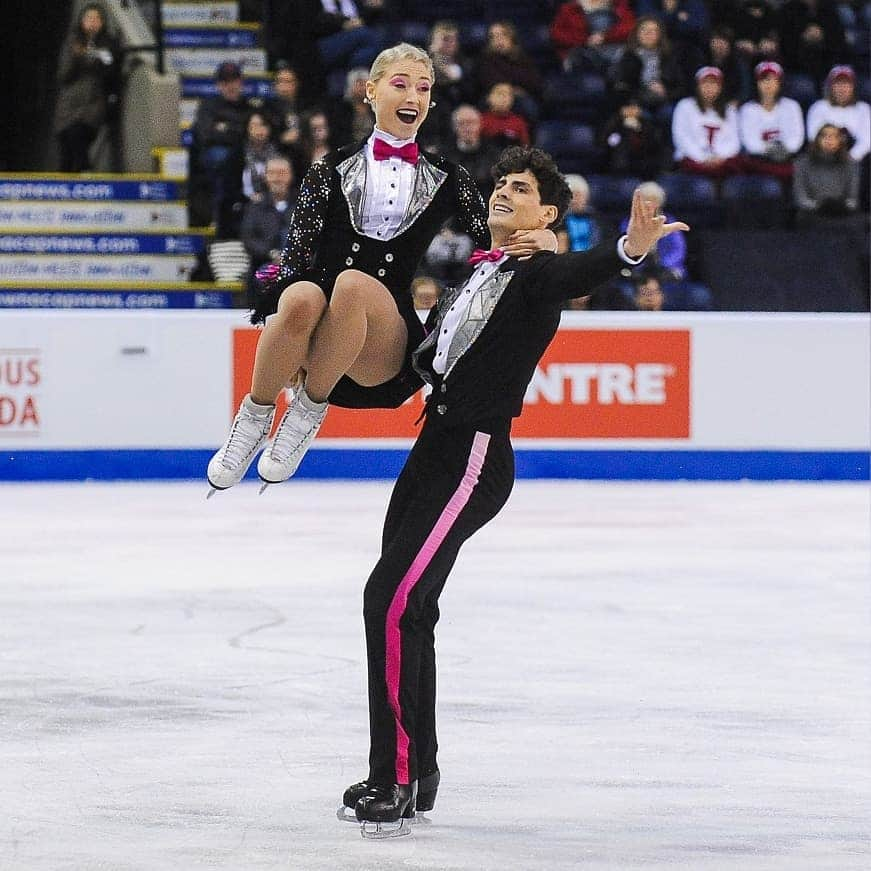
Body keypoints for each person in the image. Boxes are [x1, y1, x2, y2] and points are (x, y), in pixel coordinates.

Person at [339, 146, 688, 834]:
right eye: (499, 182)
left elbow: (577, 271)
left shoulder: (535, 276)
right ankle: (417, 769)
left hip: (472, 457)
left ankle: (395, 774)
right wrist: (325, 387)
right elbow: (413, 376)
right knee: (410, 609)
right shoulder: (471, 276)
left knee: (388, 599)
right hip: (429, 452)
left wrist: (627, 248)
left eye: (520, 187)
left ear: (547, 213)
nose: (502, 190)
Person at [206, 45, 556, 492]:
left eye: (424, 88)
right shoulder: (328, 169)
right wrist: (296, 344)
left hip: (383, 341)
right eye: (401, 84)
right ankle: (253, 419)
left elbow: (495, 235)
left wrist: (544, 236)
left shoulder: (449, 177)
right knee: (298, 295)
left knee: (352, 283)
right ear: (370, 91)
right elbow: (294, 258)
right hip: (319, 324)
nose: (414, 95)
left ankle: (307, 412)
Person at [54, 2, 120, 172]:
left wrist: (86, 54)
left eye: (97, 18)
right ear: (81, 21)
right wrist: (76, 57)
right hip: (68, 105)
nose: (92, 22)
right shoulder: (71, 42)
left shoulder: (108, 43)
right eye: (89, 18)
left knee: (78, 136)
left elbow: (109, 69)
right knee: (66, 153)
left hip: (93, 105)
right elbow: (63, 75)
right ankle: (66, 192)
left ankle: (87, 173)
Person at [191, 62, 251, 227]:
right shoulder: (209, 106)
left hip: (243, 152)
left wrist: (225, 129)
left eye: (234, 81)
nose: (230, 86)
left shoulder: (248, 106)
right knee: (222, 158)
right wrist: (236, 131)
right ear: (218, 85)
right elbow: (206, 134)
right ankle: (220, 214)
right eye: (225, 82)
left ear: (240, 82)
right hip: (216, 155)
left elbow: (250, 134)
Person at [239, 156, 298, 305]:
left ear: (290, 176)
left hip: (300, 266)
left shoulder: (304, 205)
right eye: (272, 173)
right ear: (265, 177)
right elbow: (248, 239)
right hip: (266, 264)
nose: (277, 178)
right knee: (264, 277)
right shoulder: (255, 208)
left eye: (282, 173)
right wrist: (271, 253)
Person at [672, 66, 743, 178]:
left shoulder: (730, 111)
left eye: (714, 83)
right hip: (693, 160)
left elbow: (734, 142)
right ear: (698, 86)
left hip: (722, 162)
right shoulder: (685, 106)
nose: (709, 87)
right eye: (705, 83)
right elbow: (681, 138)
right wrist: (703, 158)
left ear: (720, 88)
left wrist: (719, 157)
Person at [738, 61, 805, 179]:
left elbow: (796, 137)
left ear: (779, 83)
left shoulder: (791, 106)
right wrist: (768, 150)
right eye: (764, 80)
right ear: (757, 83)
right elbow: (750, 142)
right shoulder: (748, 109)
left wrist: (784, 150)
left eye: (773, 80)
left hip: (787, 159)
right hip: (759, 163)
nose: (768, 84)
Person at [793, 123, 860, 226]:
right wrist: (819, 206)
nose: (829, 140)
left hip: (842, 214)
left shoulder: (851, 164)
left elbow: (853, 200)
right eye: (824, 135)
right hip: (811, 214)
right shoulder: (802, 163)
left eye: (834, 136)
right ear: (817, 139)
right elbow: (800, 198)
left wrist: (838, 207)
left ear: (840, 140)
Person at [618, 181, 687, 279]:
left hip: (666, 268)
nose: (650, 205)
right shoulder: (629, 222)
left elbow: (677, 249)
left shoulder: (670, 222)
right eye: (646, 201)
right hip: (637, 268)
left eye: (654, 201)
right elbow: (624, 246)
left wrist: (663, 264)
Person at [806, 65, 871, 162]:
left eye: (846, 84)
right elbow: (814, 136)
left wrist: (850, 158)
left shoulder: (863, 109)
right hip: (824, 159)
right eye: (838, 84)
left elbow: (867, 140)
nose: (842, 88)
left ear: (853, 87)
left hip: (854, 161)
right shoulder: (819, 107)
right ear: (830, 87)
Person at [549, 0, 636, 72]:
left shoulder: (618, 4)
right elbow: (557, 34)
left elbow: (630, 27)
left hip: (613, 48)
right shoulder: (570, 8)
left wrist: (605, 37)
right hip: (582, 51)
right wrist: (586, 40)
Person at [438, 105, 502, 198]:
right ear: (454, 127)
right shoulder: (443, 155)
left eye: (472, 123)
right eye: (462, 123)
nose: (467, 128)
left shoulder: (494, 154)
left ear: (480, 125)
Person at [556, 173, 602, 253]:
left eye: (577, 195)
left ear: (586, 196)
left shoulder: (597, 218)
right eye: (570, 196)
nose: (574, 200)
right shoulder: (558, 221)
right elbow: (561, 249)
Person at [479, 83, 530, 148]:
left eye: (508, 95)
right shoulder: (481, 120)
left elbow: (525, 147)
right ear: (489, 98)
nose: (504, 98)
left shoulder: (518, 122)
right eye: (499, 94)